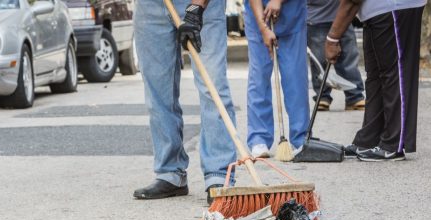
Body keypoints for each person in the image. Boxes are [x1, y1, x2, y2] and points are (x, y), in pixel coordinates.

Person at [132, 0, 237, 204]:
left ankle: (219, 175)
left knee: (212, 85)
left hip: (202, 4)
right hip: (149, 7)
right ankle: (170, 173)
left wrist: (196, 8)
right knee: (158, 90)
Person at [325, 0, 426, 161]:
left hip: (394, 7)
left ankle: (394, 145)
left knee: (394, 73)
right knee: (375, 76)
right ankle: (369, 139)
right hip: (376, 11)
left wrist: (333, 38)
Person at [245, 0, 309, 158]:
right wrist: (263, 27)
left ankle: (300, 138)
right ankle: (258, 138)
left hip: (292, 16)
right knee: (259, 78)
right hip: (258, 16)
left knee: (296, 79)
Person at [307, 0, 365, 112]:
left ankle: (354, 96)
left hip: (343, 15)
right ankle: (322, 96)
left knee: (349, 59)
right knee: (319, 61)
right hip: (316, 18)